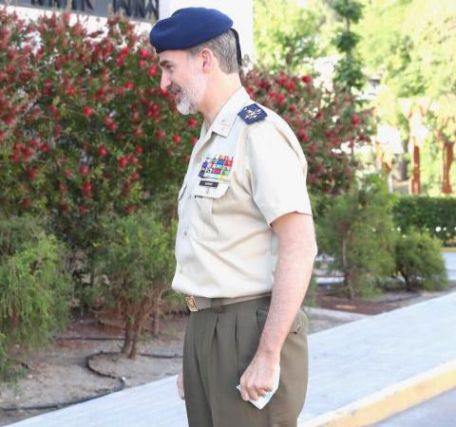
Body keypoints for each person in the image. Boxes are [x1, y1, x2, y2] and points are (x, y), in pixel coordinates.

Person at [149, 7, 318, 427]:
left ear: (204, 59)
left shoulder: (258, 134)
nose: (163, 83)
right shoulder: (213, 137)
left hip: (249, 331)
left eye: (169, 67)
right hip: (208, 328)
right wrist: (200, 353)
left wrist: (267, 353)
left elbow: (300, 245)